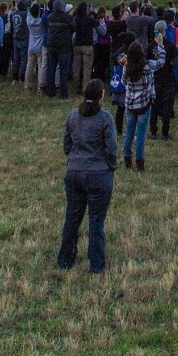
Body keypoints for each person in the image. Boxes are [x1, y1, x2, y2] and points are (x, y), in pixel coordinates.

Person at [58, 81, 117, 274]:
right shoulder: (105, 118)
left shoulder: (73, 116)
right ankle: (97, 265)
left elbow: (66, 145)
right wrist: (111, 166)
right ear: (101, 96)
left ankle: (65, 260)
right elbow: (111, 148)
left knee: (72, 218)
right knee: (96, 221)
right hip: (99, 174)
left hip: (74, 172)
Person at [118, 41, 159, 172]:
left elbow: (123, 81)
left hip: (130, 104)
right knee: (141, 134)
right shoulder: (147, 67)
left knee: (129, 132)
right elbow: (160, 63)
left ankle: (127, 159)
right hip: (144, 104)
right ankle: (140, 162)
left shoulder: (126, 67)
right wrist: (160, 47)